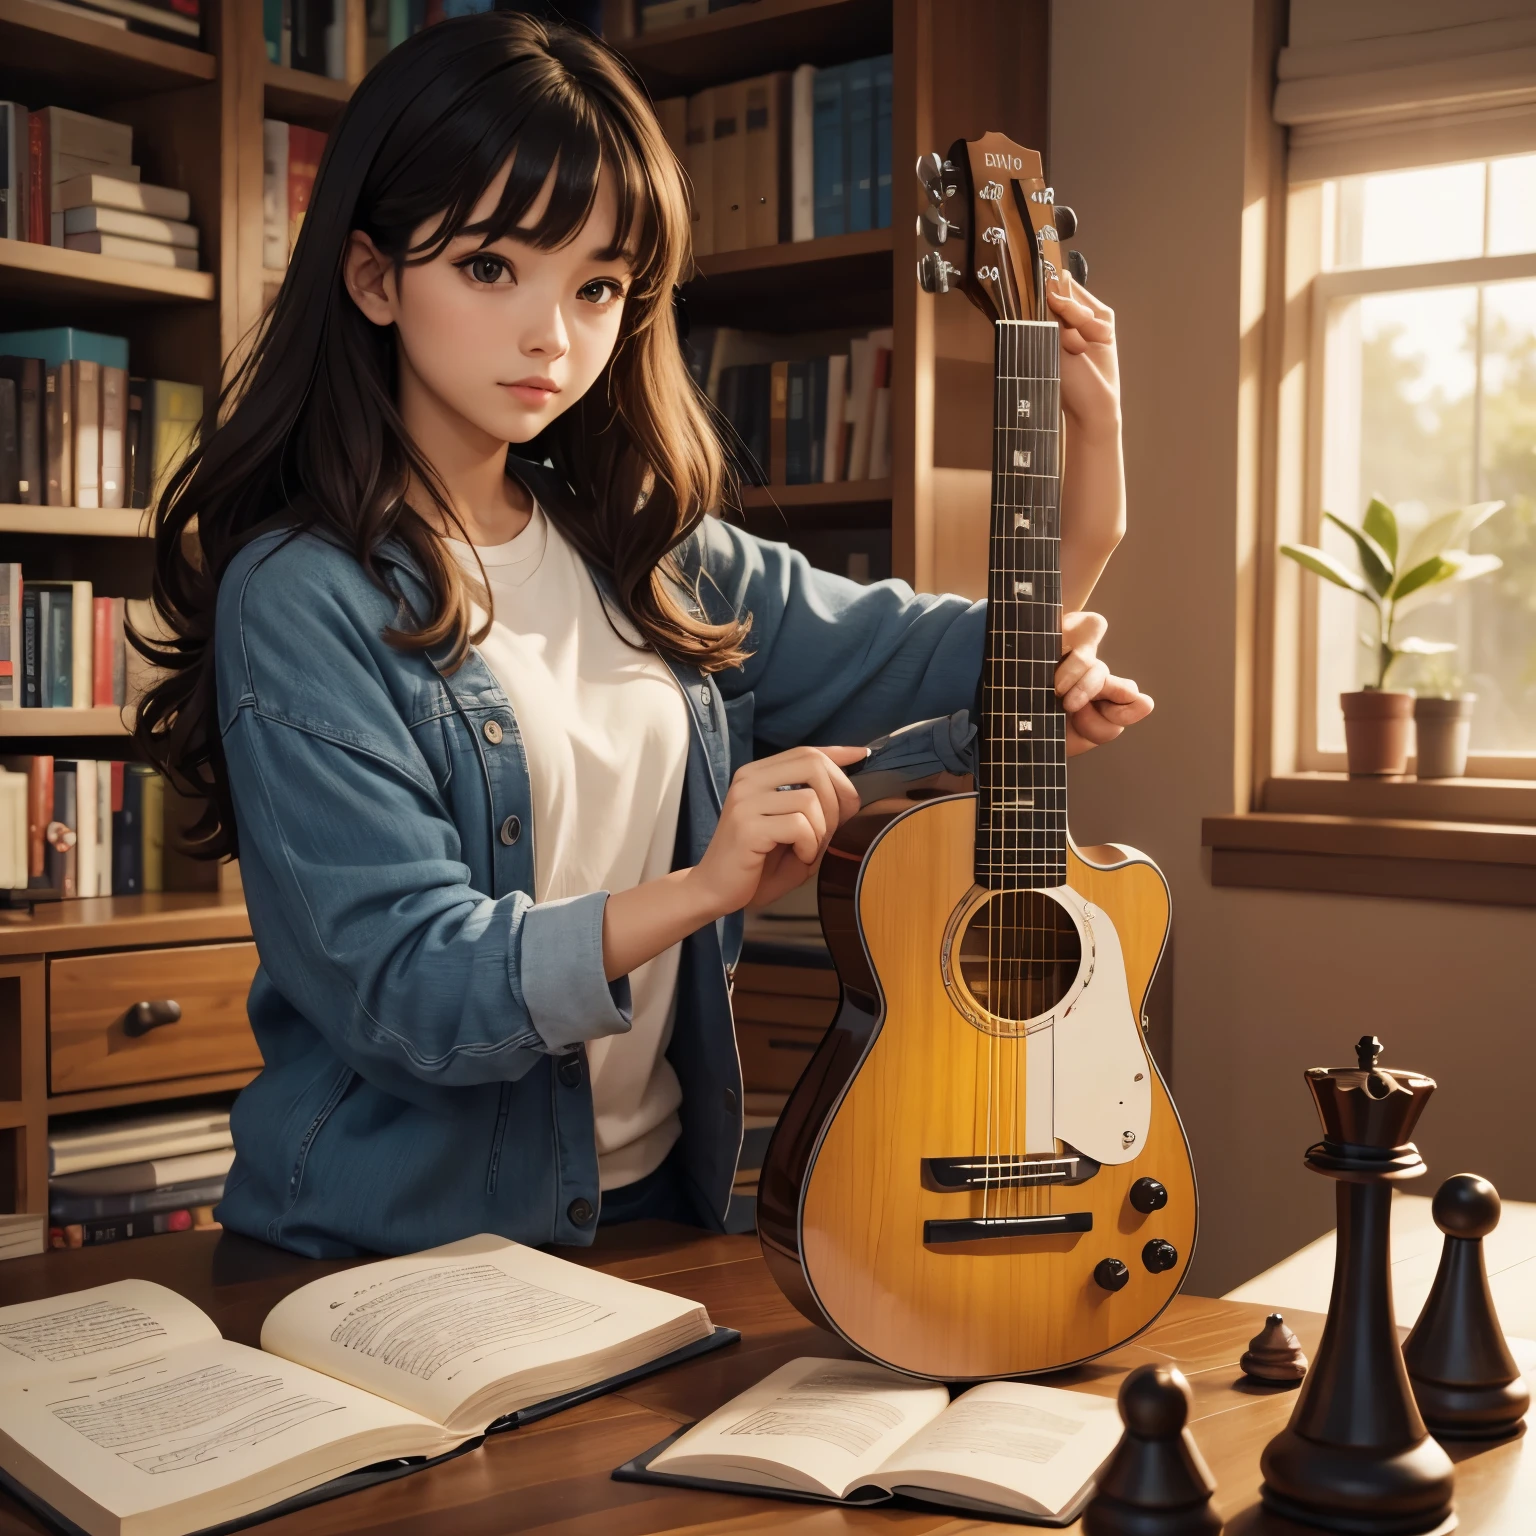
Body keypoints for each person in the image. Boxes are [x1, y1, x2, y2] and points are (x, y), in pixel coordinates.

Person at [134, 13, 1153, 1258]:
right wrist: (700, 890)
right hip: (388, 1251)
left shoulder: (656, 555)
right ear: (373, 276)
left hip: (655, 1219)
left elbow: (970, 658)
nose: (552, 336)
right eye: (494, 267)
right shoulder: (301, 594)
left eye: (599, 284)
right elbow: (404, 987)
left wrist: (1091, 446)